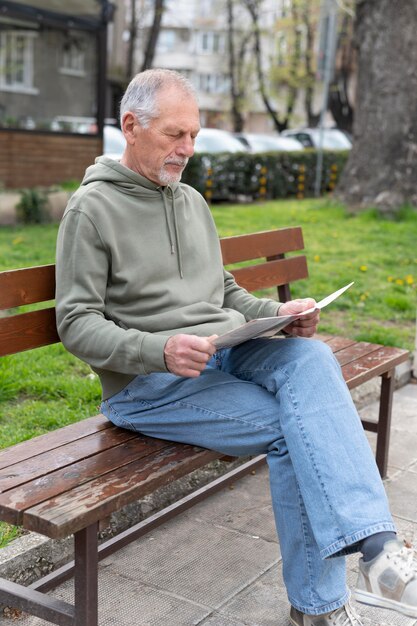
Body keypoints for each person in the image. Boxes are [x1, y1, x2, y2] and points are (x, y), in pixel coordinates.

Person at [55, 69, 417, 626]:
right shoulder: (91, 210)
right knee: (295, 429)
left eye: (194, 136)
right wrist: (160, 350)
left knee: (313, 359)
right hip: (149, 387)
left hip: (224, 351)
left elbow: (222, 292)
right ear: (131, 126)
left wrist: (278, 314)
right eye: (176, 135)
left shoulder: (191, 201)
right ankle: (322, 606)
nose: (188, 149)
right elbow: (76, 323)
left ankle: (375, 549)